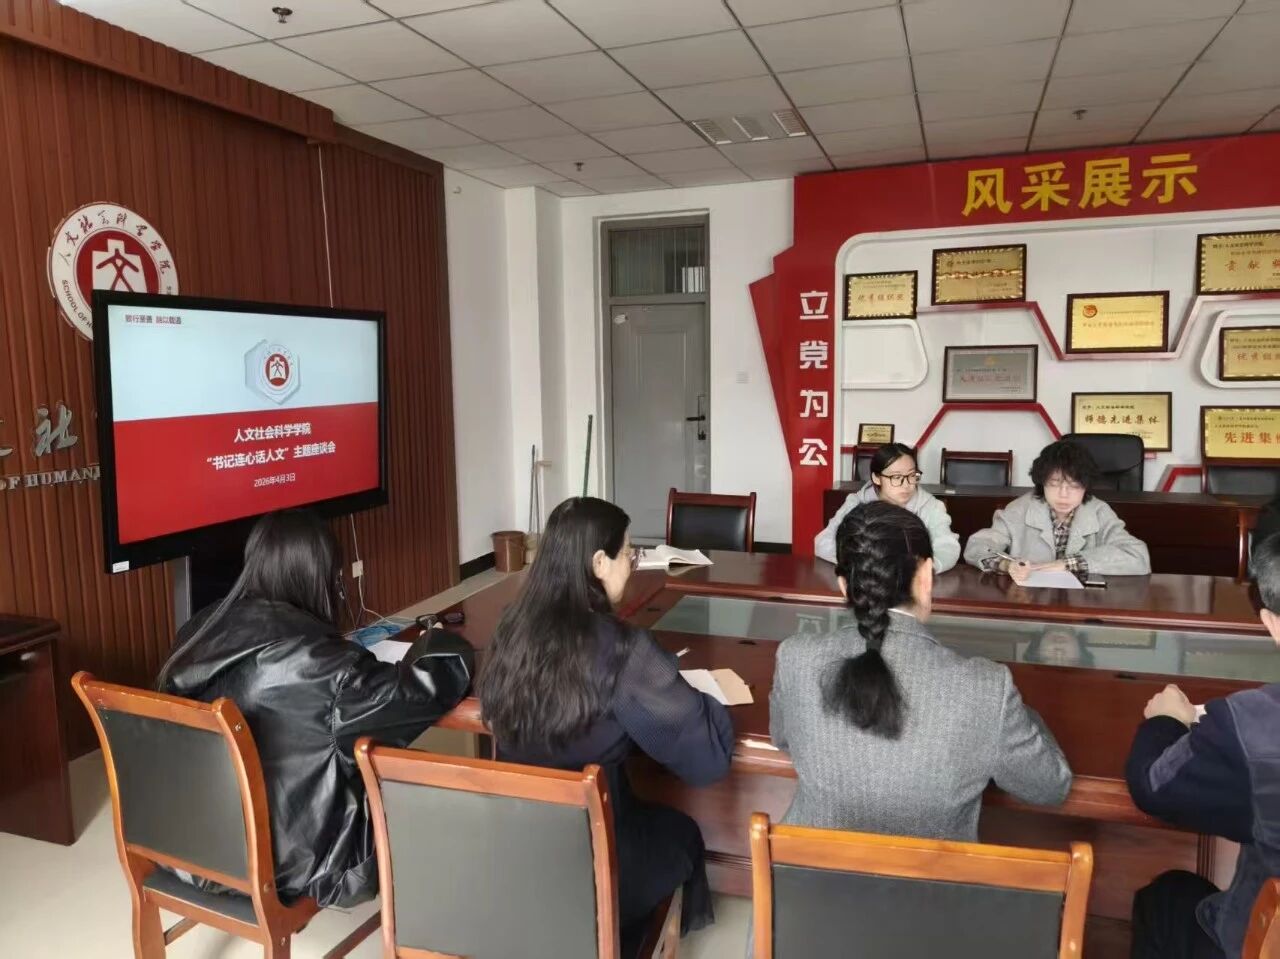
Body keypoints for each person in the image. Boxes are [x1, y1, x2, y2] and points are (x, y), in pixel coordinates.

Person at [157, 510, 474, 907]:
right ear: (322, 578)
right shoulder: (324, 664)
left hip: (188, 844)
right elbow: (422, 693)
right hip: (290, 860)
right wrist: (437, 639)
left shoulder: (198, 630)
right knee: (421, 775)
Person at [477, 496, 734, 948]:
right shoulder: (622, 648)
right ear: (599, 562)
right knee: (684, 834)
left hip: (517, 849)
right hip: (600, 861)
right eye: (629, 554)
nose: (632, 566)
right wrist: (696, 695)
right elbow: (705, 761)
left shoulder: (510, 628)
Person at [773, 500, 1071, 842]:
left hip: (806, 872)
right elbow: (1050, 787)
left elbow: (784, 739)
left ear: (843, 585)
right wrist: (1019, 713)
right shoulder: (986, 687)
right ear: (927, 575)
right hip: (932, 879)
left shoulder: (795, 656)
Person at [1126, 531, 1280, 959]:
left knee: (1165, 899)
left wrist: (1166, 720)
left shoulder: (1250, 722)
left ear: (1271, 623)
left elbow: (1152, 786)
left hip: (1259, 944)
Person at [964, 439, 1150, 580]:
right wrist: (1006, 565)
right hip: (1030, 601)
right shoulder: (1020, 508)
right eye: (1054, 484)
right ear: (1042, 482)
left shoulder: (1099, 511)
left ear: (1086, 486)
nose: (1063, 494)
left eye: (1074, 486)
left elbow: (1138, 556)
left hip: (1083, 603)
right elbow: (977, 546)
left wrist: (1066, 564)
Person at [815, 442, 961, 572]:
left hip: (910, 583)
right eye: (896, 477)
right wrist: (864, 564)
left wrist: (919, 569)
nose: (907, 485)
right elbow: (823, 542)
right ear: (876, 478)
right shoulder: (857, 502)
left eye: (912, 475)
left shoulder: (930, 506)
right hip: (867, 580)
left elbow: (948, 547)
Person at [1024, 626, 1096, 669]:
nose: (1059, 652)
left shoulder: (1023, 620)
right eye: (1069, 660)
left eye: (1048, 658)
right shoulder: (1095, 624)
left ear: (1037, 648)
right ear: (1081, 652)